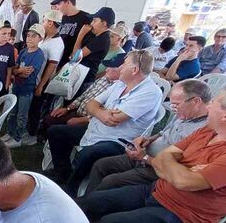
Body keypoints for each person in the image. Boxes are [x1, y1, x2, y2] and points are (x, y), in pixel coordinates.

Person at [77, 83, 226, 223]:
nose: (208, 106)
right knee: (88, 204)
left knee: (108, 222)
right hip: (157, 190)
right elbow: (166, 156)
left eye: (214, 103)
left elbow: (184, 182)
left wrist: (177, 167)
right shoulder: (211, 128)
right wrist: (182, 169)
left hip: (184, 216)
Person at [48, 50, 161, 196]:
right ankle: (62, 174)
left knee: (88, 154)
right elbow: (91, 103)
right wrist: (102, 112)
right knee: (56, 132)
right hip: (95, 129)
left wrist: (99, 110)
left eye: (124, 64)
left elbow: (114, 119)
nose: (120, 67)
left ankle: (72, 188)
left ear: (134, 70)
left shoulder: (151, 92)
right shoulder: (121, 83)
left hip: (118, 141)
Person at [86, 79, 211, 193]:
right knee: (101, 165)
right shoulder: (185, 113)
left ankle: (89, 210)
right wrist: (148, 139)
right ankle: (85, 201)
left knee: (111, 181)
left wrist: (145, 158)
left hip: (158, 168)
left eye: (176, 104)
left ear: (196, 101)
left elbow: (180, 163)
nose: (174, 109)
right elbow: (163, 133)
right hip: (144, 155)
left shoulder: (205, 129)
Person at [3, 24, 45, 147]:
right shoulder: (22, 51)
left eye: (33, 36)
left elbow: (27, 73)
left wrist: (17, 71)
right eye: (28, 36)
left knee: (22, 115)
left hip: (27, 90)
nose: (29, 39)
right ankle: (10, 133)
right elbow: (14, 70)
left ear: (40, 39)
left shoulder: (39, 54)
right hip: (16, 86)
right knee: (12, 112)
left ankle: (17, 138)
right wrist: (18, 71)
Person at [69, 7, 114, 96]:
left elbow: (75, 57)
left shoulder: (103, 39)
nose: (91, 24)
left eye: (94, 21)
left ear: (104, 23)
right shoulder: (96, 36)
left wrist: (81, 35)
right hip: (80, 75)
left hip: (84, 79)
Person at [51, 0, 89, 68]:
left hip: (71, 64)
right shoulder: (61, 18)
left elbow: (87, 45)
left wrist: (75, 57)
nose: (57, 7)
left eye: (59, 4)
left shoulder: (86, 18)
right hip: (57, 61)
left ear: (68, 2)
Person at [35, 10, 65, 98]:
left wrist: (41, 86)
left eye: (43, 21)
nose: (42, 24)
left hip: (41, 82)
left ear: (50, 23)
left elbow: (52, 66)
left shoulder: (57, 43)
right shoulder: (44, 37)